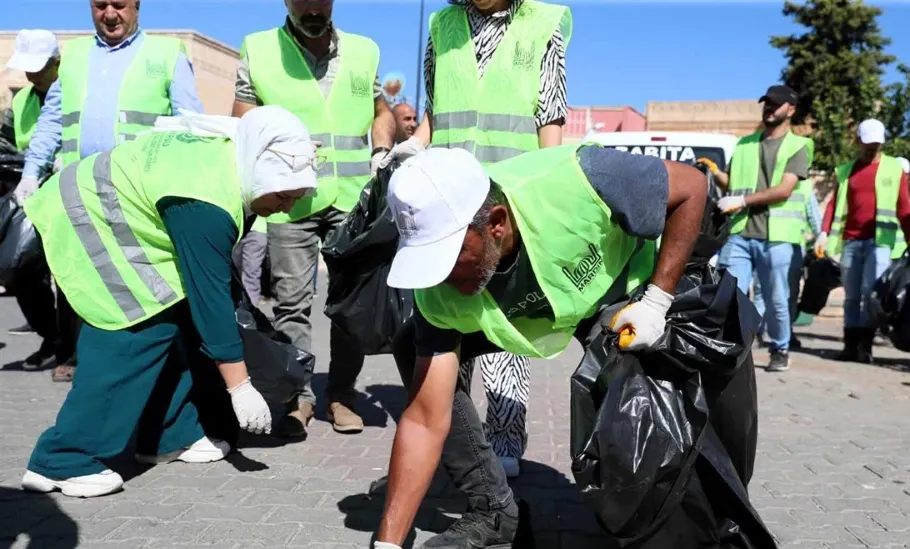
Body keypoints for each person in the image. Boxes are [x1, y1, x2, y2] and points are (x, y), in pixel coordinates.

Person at [331, 143, 708, 549]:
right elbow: (425, 420)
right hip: (544, 306)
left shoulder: (582, 178)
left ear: (497, 224)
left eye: (450, 256)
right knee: (414, 348)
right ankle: (494, 512)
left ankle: (667, 521)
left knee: (633, 396)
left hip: (620, 293)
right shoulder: (441, 291)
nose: (441, 277)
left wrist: (657, 300)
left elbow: (692, 188)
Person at [19, 106, 318, 498]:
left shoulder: (235, 159)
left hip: (119, 216)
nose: (288, 208)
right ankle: (62, 459)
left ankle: (167, 436)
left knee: (175, 321)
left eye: (297, 197)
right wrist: (240, 387)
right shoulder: (206, 202)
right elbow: (211, 302)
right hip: (89, 220)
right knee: (134, 331)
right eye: (283, 195)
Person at [385, 0, 573, 478]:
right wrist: (410, 147)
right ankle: (459, 439)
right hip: (447, 206)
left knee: (508, 329)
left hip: (508, 207)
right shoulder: (442, 25)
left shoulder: (543, 23)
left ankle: (506, 442)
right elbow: (434, 113)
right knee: (451, 320)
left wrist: (546, 190)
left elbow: (549, 119)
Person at [13, 0, 205, 384]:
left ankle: (147, 364)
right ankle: (81, 357)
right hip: (79, 191)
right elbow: (53, 120)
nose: (110, 13)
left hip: (137, 193)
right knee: (76, 278)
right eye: (101, 5)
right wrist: (31, 173)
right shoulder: (75, 57)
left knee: (139, 280)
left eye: (119, 4)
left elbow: (190, 124)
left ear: (136, 7)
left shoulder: (167, 54)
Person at [234, 0, 396, 437]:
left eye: (320, 0)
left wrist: (381, 149)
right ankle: (298, 397)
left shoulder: (365, 51)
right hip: (291, 201)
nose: (311, 9)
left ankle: (341, 394)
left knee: (349, 307)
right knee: (292, 303)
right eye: (301, 0)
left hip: (351, 199)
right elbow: (243, 122)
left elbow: (381, 111)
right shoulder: (259, 48)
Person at [700, 84, 813, 373]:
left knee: (777, 297)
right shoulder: (745, 144)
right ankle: (733, 346)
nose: (769, 109)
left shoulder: (799, 146)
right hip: (740, 234)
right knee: (732, 294)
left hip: (777, 238)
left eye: (776, 105)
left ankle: (780, 348)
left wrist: (741, 200)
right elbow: (734, 183)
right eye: (766, 104)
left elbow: (785, 189)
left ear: (791, 110)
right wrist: (715, 173)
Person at [815, 119, 910, 364]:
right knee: (851, 296)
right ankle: (849, 347)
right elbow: (833, 203)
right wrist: (824, 231)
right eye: (868, 143)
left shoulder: (894, 169)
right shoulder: (846, 171)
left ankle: (865, 348)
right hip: (851, 241)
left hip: (879, 242)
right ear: (858, 141)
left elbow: (903, 205)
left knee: (870, 295)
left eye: (876, 144)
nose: (872, 148)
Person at [1, 30, 65, 368]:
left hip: (69, 193)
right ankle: (51, 338)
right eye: (27, 68)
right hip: (31, 196)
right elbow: (8, 140)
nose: (31, 75)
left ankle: (73, 348)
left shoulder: (75, 91)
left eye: (39, 68)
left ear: (57, 62)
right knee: (25, 270)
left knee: (69, 277)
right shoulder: (23, 99)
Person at [752, 186, 823, 348]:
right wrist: (820, 238)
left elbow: (816, 221)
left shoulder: (768, 184)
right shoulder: (804, 188)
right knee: (786, 293)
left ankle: (756, 333)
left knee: (763, 291)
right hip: (790, 248)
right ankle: (783, 334)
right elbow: (816, 220)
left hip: (770, 244)